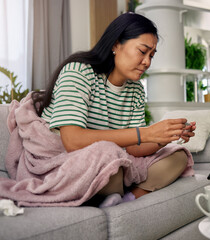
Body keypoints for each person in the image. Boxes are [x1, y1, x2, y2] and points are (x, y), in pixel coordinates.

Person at [1, 13, 196, 208]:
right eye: (142, 51)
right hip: (64, 161)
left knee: (177, 155)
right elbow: (72, 141)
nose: (147, 62)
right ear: (115, 45)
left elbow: (133, 148)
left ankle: (128, 198)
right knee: (109, 155)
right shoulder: (79, 71)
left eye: (151, 56)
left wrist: (164, 137)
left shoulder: (136, 90)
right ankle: (111, 189)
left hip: (110, 163)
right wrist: (146, 133)